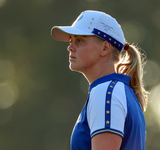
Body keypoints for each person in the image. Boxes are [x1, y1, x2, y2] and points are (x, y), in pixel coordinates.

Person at [51, 10, 149, 150]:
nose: (70, 47)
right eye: (71, 40)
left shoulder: (105, 92)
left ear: (105, 48)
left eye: (80, 40)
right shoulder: (118, 91)